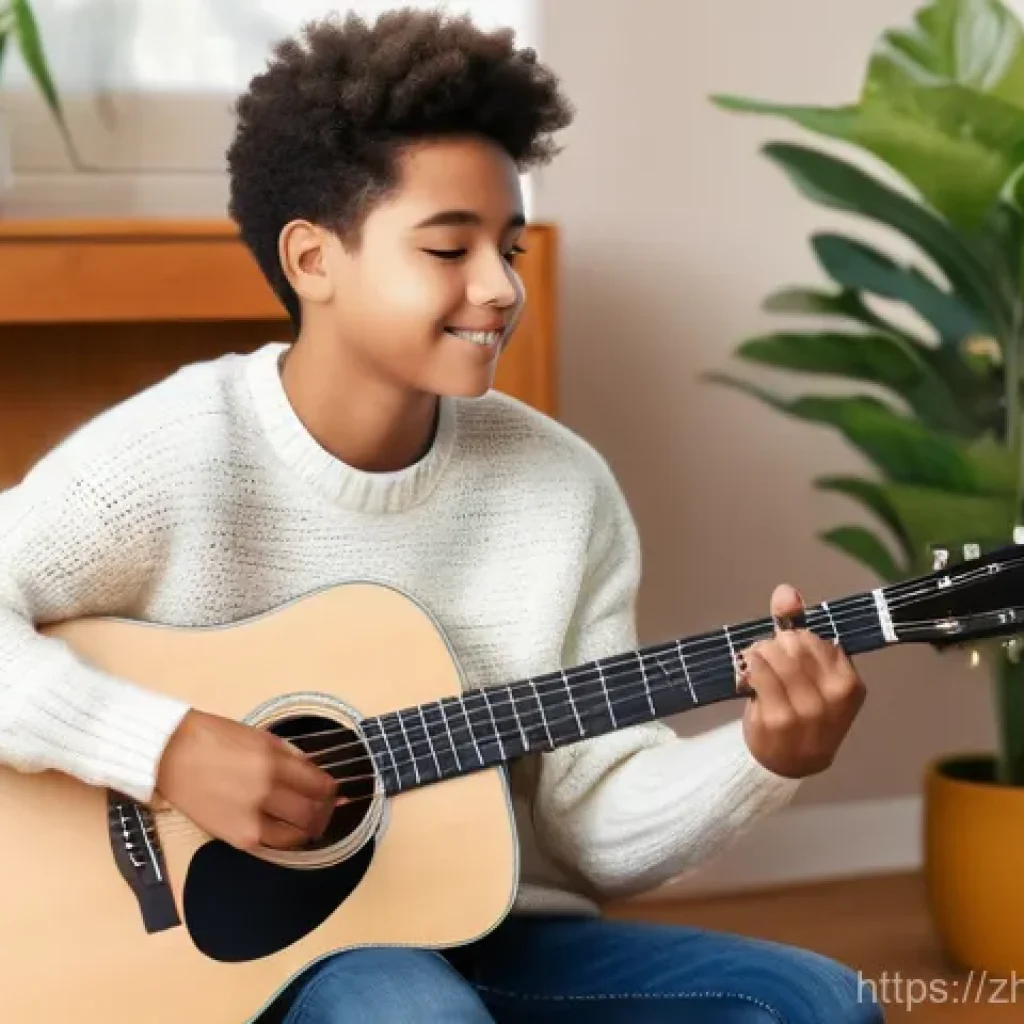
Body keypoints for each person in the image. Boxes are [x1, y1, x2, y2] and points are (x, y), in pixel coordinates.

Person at [0, 8, 883, 1024]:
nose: (500, 287)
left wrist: (765, 753)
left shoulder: (558, 489)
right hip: (256, 961)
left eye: (506, 245)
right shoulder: (180, 453)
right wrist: (166, 749)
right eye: (448, 247)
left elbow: (595, 826)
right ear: (311, 260)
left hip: (495, 919)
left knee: (821, 1005)